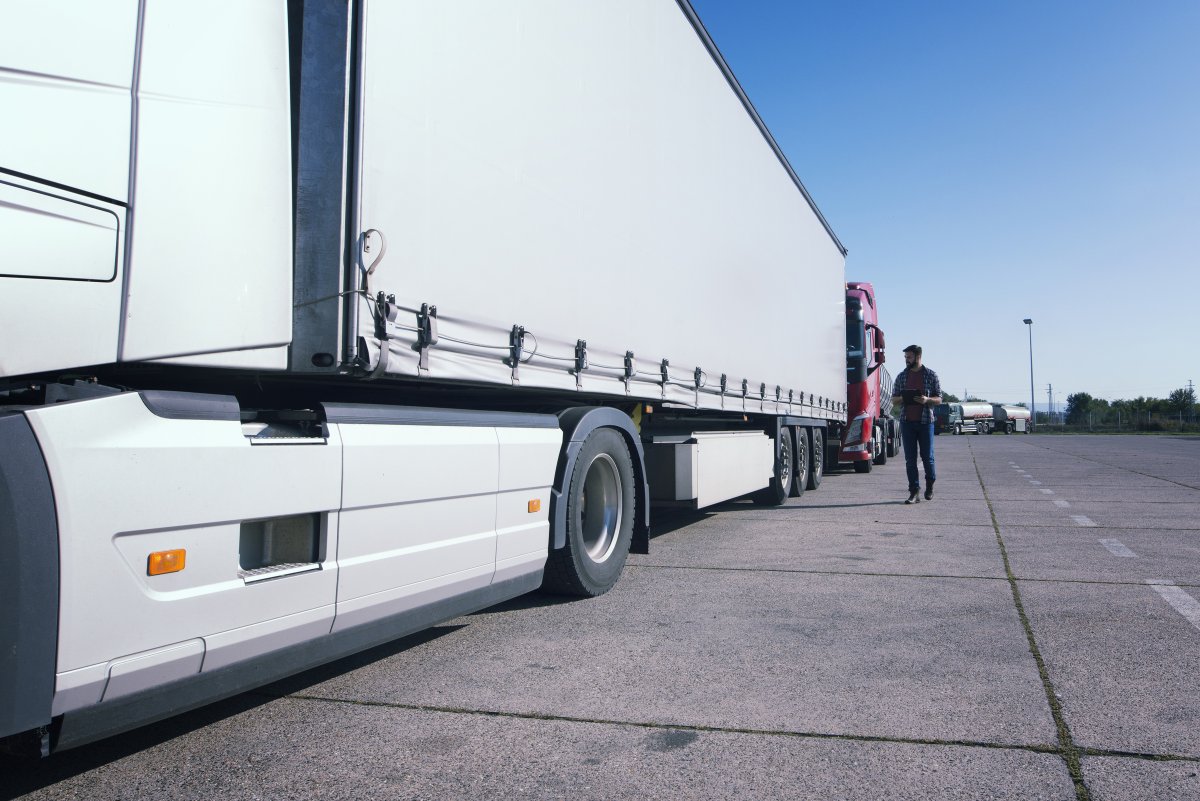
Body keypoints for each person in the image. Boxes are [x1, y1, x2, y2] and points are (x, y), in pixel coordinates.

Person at [891, 345, 942, 504]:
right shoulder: (901, 376)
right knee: (910, 459)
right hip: (907, 422)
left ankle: (930, 485)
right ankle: (914, 492)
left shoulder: (931, 375)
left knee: (928, 457)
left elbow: (939, 399)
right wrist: (905, 398)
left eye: (909, 357)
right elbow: (894, 399)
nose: (907, 360)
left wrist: (927, 400)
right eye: (906, 357)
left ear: (918, 357)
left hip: (926, 422)